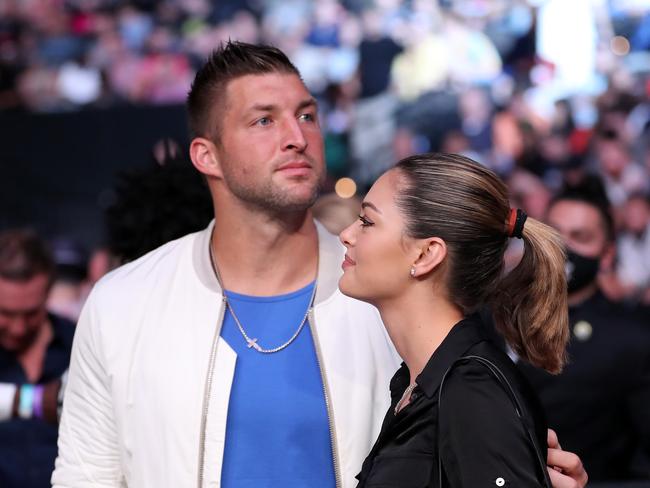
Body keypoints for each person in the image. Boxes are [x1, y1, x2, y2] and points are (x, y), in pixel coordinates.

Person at [52, 41, 588, 488]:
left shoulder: (395, 300)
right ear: (205, 156)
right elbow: (85, 476)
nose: (297, 136)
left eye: (306, 114)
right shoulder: (124, 302)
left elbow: (493, 441)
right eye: (263, 120)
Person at [339, 152, 571, 487]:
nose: (347, 234)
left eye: (367, 221)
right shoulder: (419, 384)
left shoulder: (472, 392)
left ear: (426, 253)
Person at [517, 180, 650, 482]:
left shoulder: (632, 340)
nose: (563, 246)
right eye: (553, 232)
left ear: (606, 255)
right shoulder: (491, 318)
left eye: (580, 237)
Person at [0, 229, 75, 487]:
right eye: (5, 313)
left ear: (48, 293)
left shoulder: (80, 346)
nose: (18, 328)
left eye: (31, 313)